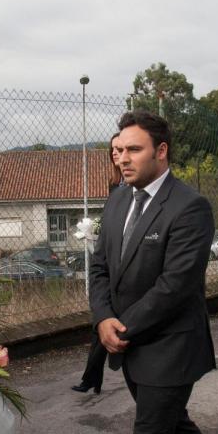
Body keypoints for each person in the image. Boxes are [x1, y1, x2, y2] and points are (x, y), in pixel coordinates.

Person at [90, 111, 218, 434]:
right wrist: (102, 318)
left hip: (169, 348)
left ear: (161, 151)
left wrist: (121, 325)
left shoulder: (190, 206)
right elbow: (99, 266)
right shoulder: (118, 198)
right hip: (127, 342)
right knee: (174, 424)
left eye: (133, 150)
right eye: (118, 151)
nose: (123, 159)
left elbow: (176, 286)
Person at [73, 133, 124, 394]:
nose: (117, 154)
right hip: (110, 263)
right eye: (113, 150)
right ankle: (92, 378)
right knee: (100, 323)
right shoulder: (115, 184)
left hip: (126, 266)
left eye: (121, 148)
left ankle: (92, 378)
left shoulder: (135, 185)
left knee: (104, 325)